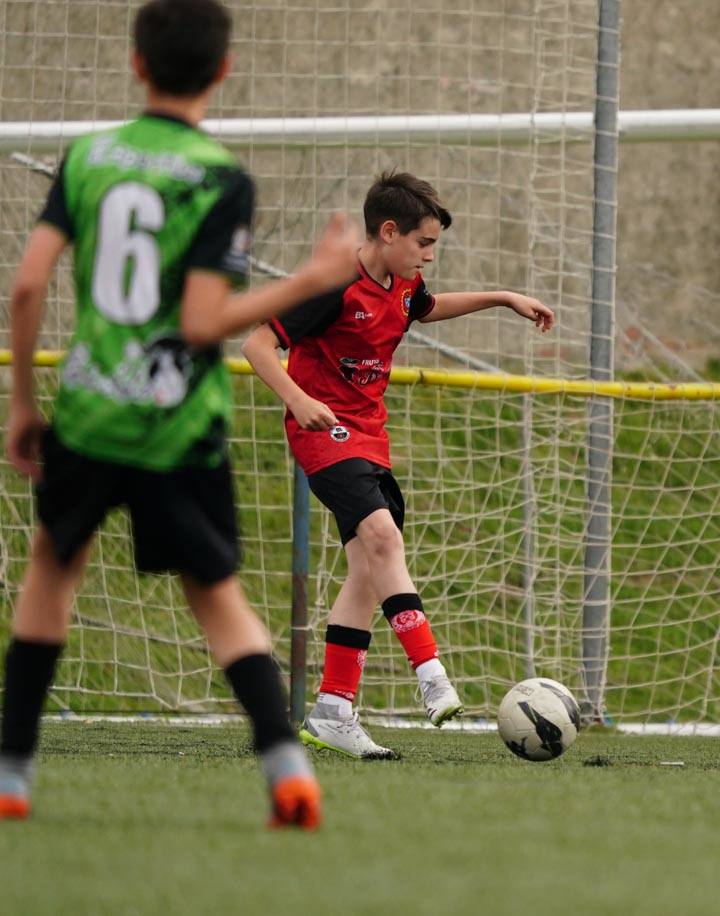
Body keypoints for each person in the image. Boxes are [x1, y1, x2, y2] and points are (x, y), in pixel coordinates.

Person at [0, 0, 362, 826]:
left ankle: (12, 776)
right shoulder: (218, 176)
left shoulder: (88, 156)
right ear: (224, 70)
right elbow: (200, 324)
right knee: (217, 595)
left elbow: (26, 285)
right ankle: (285, 769)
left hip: (89, 416)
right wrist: (310, 279)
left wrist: (26, 402)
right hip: (177, 427)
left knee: (50, 577)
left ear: (136, 62)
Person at [241, 170, 555, 760]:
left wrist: (504, 296)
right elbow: (257, 344)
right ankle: (431, 673)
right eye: (424, 244)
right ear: (389, 232)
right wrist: (300, 400)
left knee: (366, 569)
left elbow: (428, 307)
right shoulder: (333, 286)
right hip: (326, 434)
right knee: (383, 537)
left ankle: (334, 711)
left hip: (370, 439)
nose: (429, 256)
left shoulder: (404, 286)